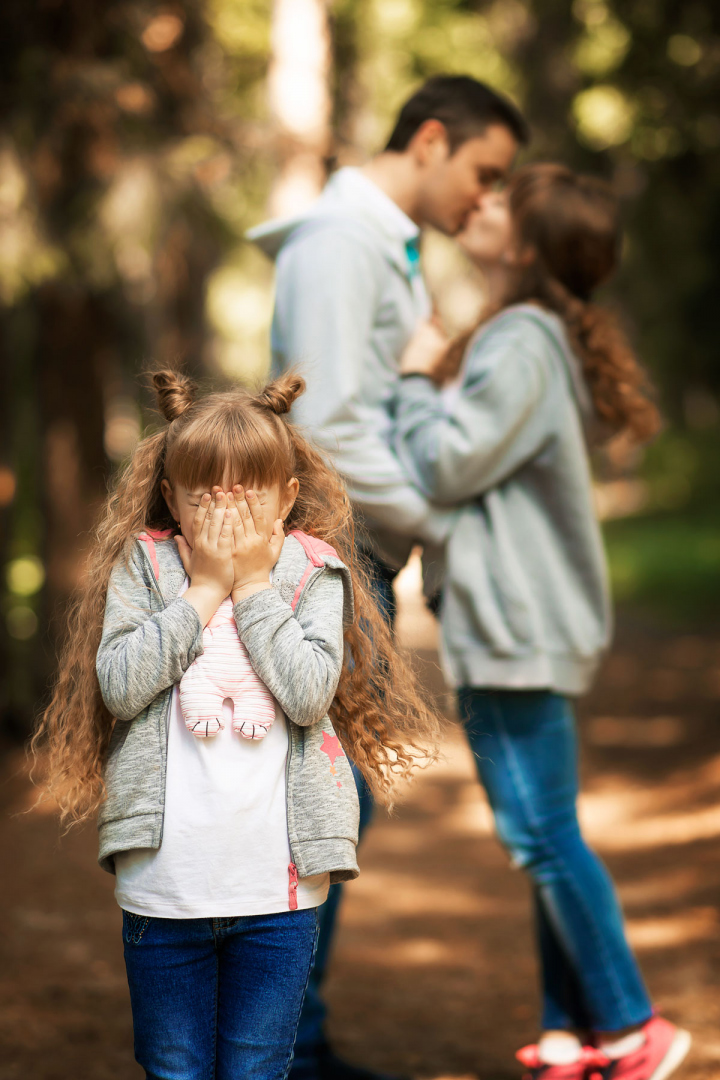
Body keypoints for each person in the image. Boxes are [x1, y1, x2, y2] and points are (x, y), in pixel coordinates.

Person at [33, 370, 440, 1080]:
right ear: (171, 498)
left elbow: (310, 693)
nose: (228, 512)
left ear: (287, 494)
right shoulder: (147, 566)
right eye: (206, 496)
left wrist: (250, 587)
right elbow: (121, 686)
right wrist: (201, 593)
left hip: (275, 888)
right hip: (165, 884)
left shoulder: (313, 570)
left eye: (248, 493)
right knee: (175, 1065)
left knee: (256, 1068)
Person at [249, 73, 529, 1080]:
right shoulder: (337, 244)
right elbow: (326, 431)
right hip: (334, 557)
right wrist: (447, 524)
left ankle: (291, 1039)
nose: (486, 200)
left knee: (336, 805)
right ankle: (281, 1046)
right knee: (322, 808)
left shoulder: (389, 248)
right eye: (483, 172)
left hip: (364, 558)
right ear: (428, 140)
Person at [394, 163, 691, 1080]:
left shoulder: (519, 339)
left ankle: (636, 1027)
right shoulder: (520, 335)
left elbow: (448, 465)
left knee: (539, 834)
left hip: (514, 625)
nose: (476, 202)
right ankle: (571, 1031)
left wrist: (409, 382)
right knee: (547, 827)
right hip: (518, 619)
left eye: (498, 201)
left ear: (524, 245)